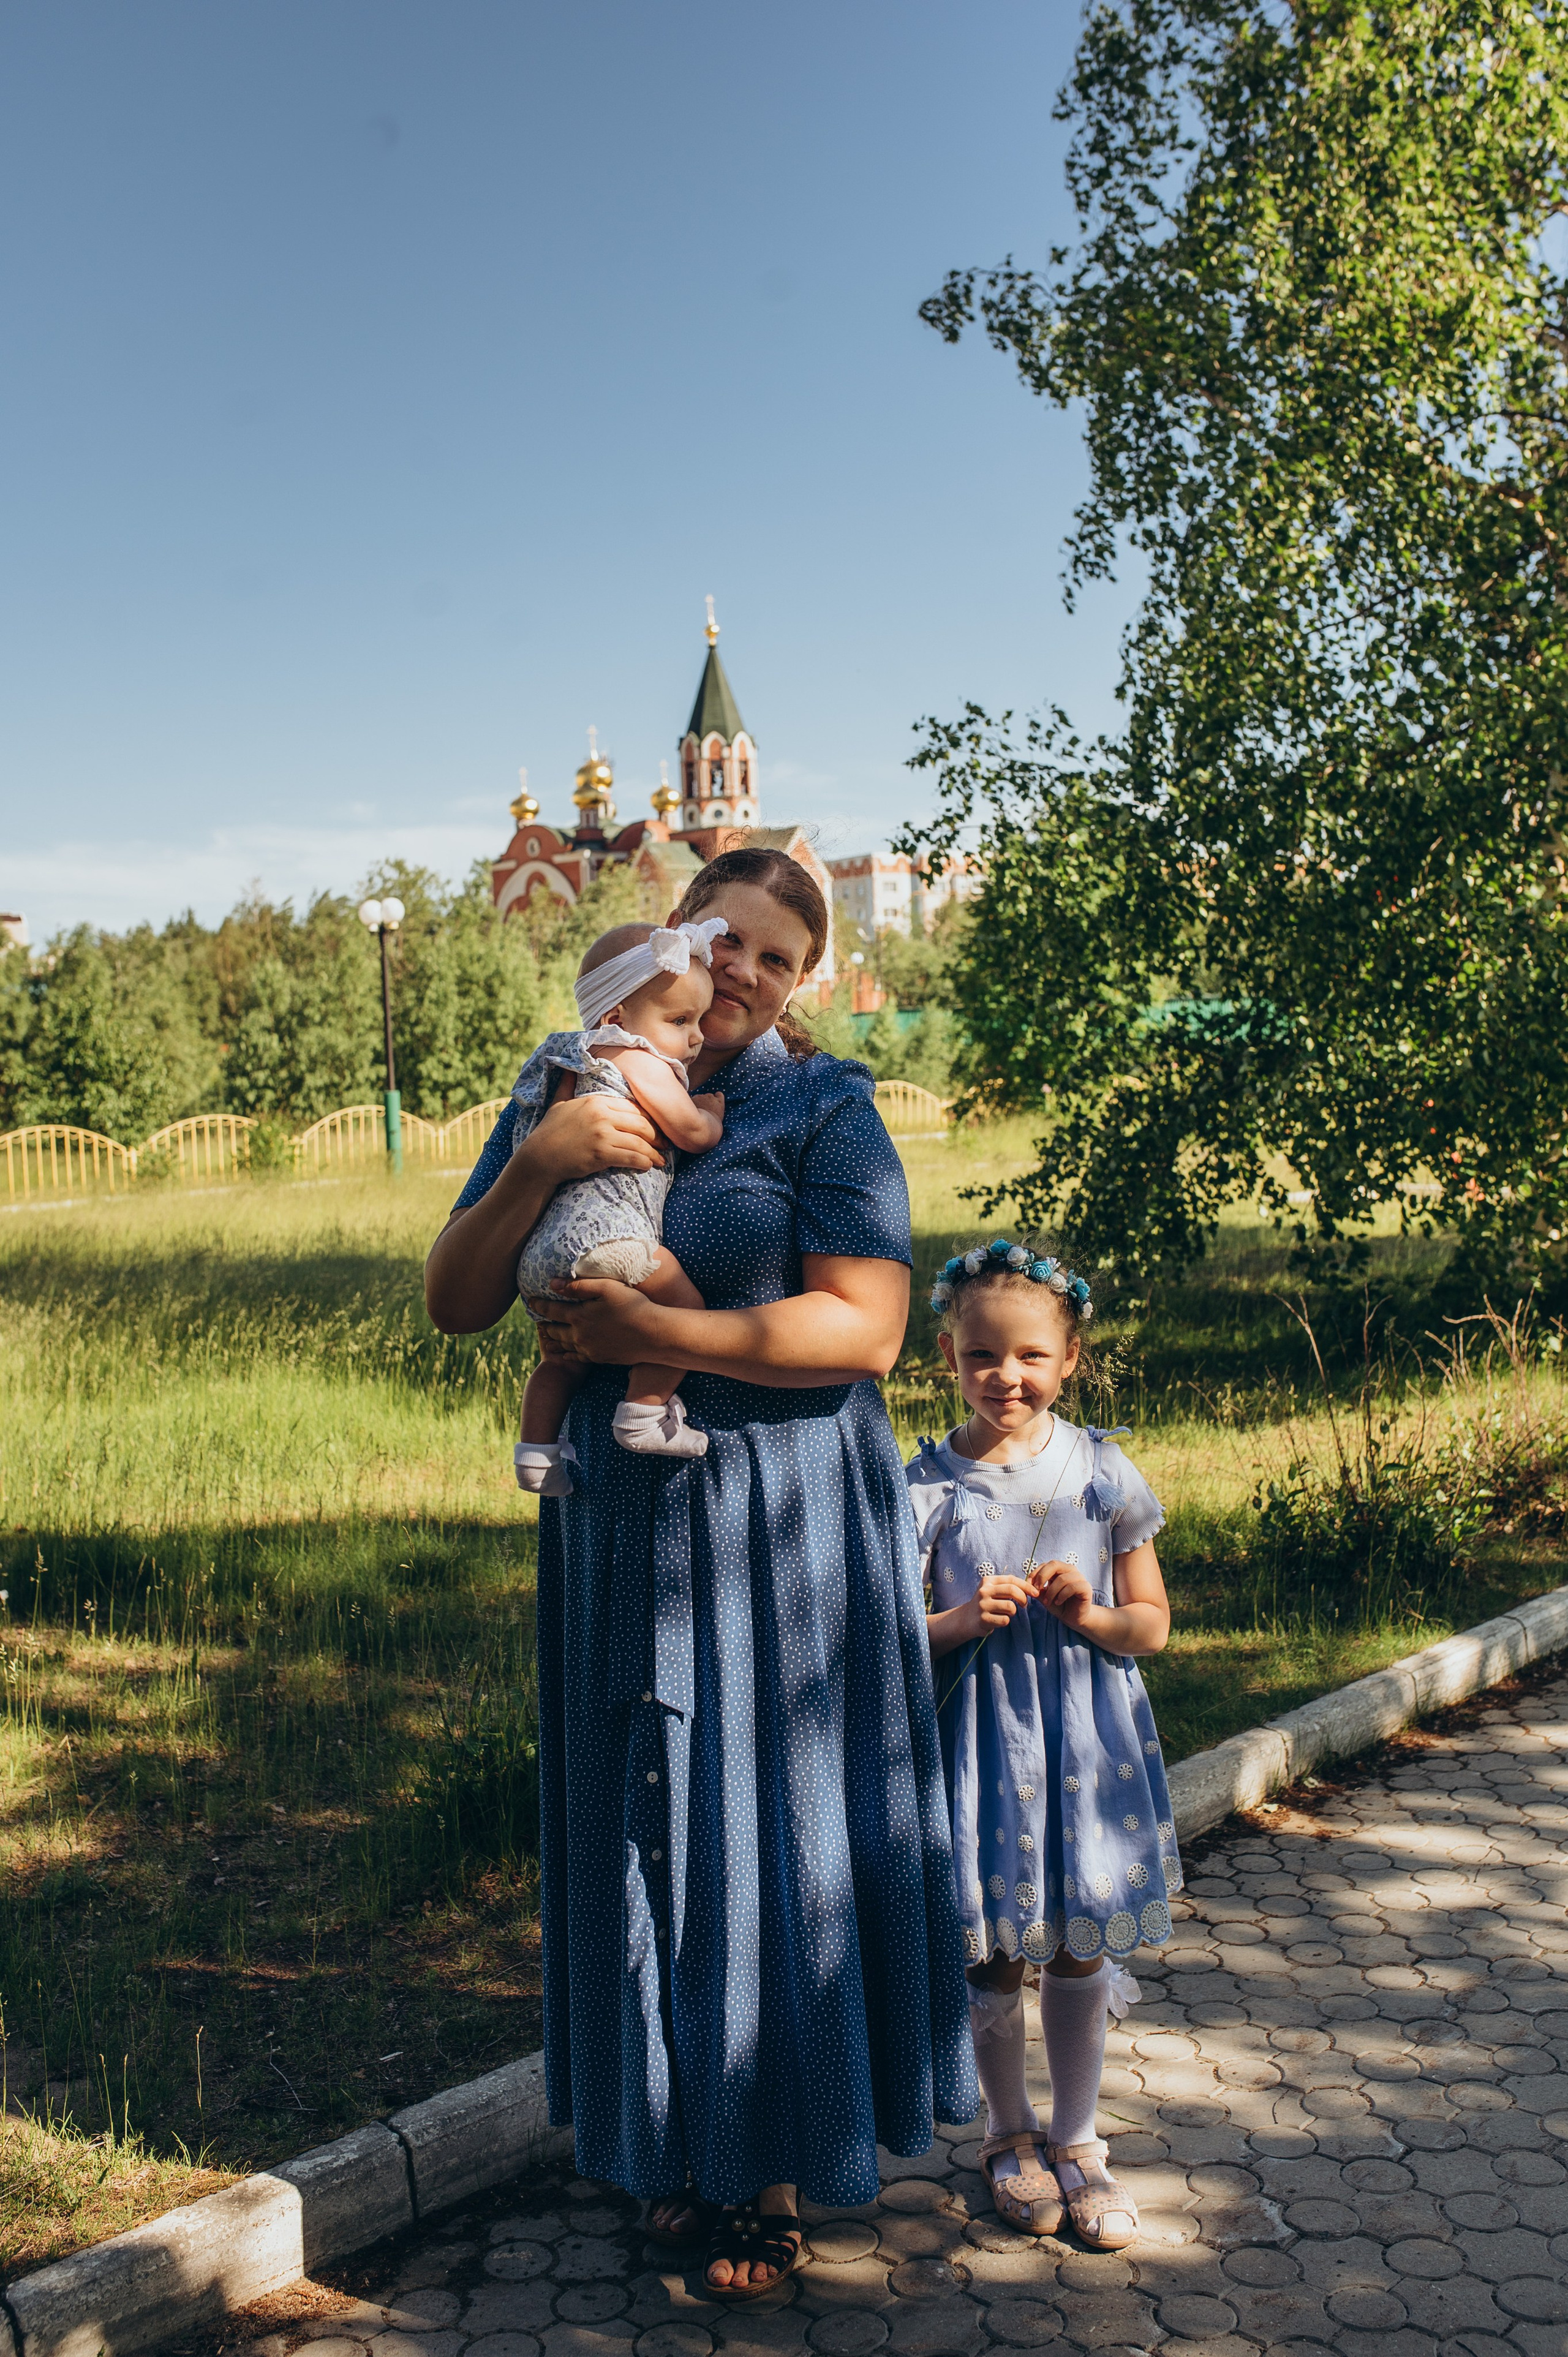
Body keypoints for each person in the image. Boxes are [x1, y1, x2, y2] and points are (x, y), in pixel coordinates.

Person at [424, 847, 976, 2301]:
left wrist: (655, 1341)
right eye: (722, 938)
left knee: (772, 1828)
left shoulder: (822, 1103)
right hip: (622, 1520)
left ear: (801, 982)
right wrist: (541, 1159)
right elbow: (456, 1297)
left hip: (779, 1517)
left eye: (775, 958)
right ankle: (668, 2136)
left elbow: (863, 1329)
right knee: (644, 1818)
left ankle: (770, 2162)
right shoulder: (569, 1078)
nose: (740, 971)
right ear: (674, 931)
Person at [910, 1237, 1178, 2252]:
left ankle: (1078, 2138)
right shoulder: (924, 1484)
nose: (1006, 1376)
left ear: (1070, 1357)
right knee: (993, 1951)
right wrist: (955, 1621)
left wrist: (1091, 1613)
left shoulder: (1102, 1470)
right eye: (982, 1355)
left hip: (1084, 1753)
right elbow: (887, 1637)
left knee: (1075, 1942)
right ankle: (1007, 2131)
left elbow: (1150, 1624)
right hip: (984, 1753)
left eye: (1030, 1355)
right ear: (948, 1355)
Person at [511, 916, 728, 1492]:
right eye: (679, 1021)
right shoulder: (633, 1057)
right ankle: (643, 1413)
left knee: (560, 1360)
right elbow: (691, 1134)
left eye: (700, 1020)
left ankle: (535, 1455)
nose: (696, 1037)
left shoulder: (566, 1062)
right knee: (684, 1311)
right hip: (607, 1237)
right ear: (616, 1019)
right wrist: (711, 1115)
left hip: (538, 1256)